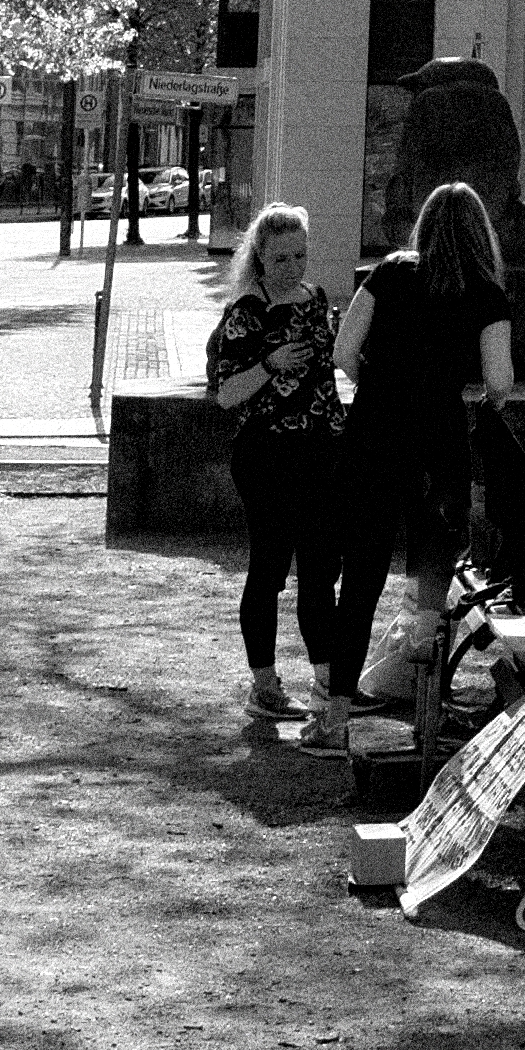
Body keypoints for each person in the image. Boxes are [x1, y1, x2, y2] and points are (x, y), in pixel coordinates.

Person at [327, 175, 515, 722]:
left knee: (360, 575)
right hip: (438, 444)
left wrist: (382, 382)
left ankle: (336, 710)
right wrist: (469, 390)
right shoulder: (486, 294)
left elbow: (343, 352)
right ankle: (420, 687)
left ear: (424, 226)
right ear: (482, 235)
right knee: (433, 561)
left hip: (374, 434)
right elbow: (500, 382)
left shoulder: (389, 272)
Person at [204, 197, 346, 733]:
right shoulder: (247, 312)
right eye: (282, 258)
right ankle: (264, 684)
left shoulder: (316, 300)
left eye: (301, 256)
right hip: (265, 453)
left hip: (317, 447)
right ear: (260, 258)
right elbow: (225, 394)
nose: (294, 267)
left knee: (319, 570)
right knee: (268, 567)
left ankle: (326, 680)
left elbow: (332, 369)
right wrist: (270, 363)